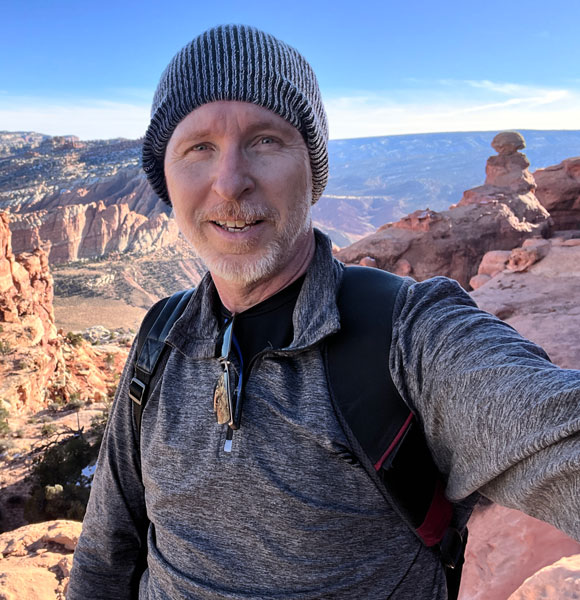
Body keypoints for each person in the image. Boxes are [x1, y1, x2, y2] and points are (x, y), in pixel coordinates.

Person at [67, 24, 580, 599]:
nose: (230, 183)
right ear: (164, 175)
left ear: (313, 171)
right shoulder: (161, 334)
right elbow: (106, 552)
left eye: (266, 140)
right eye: (199, 147)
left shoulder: (410, 335)